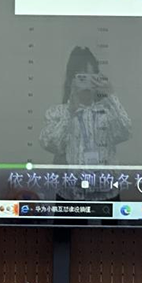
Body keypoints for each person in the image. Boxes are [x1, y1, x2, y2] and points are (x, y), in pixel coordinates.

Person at [39, 46, 131, 201]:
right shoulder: (58, 112)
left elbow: (125, 132)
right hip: (70, 195)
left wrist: (111, 95)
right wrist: (70, 112)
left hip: (107, 193)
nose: (87, 81)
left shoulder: (108, 111)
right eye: (82, 76)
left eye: (91, 75)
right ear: (71, 80)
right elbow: (51, 145)